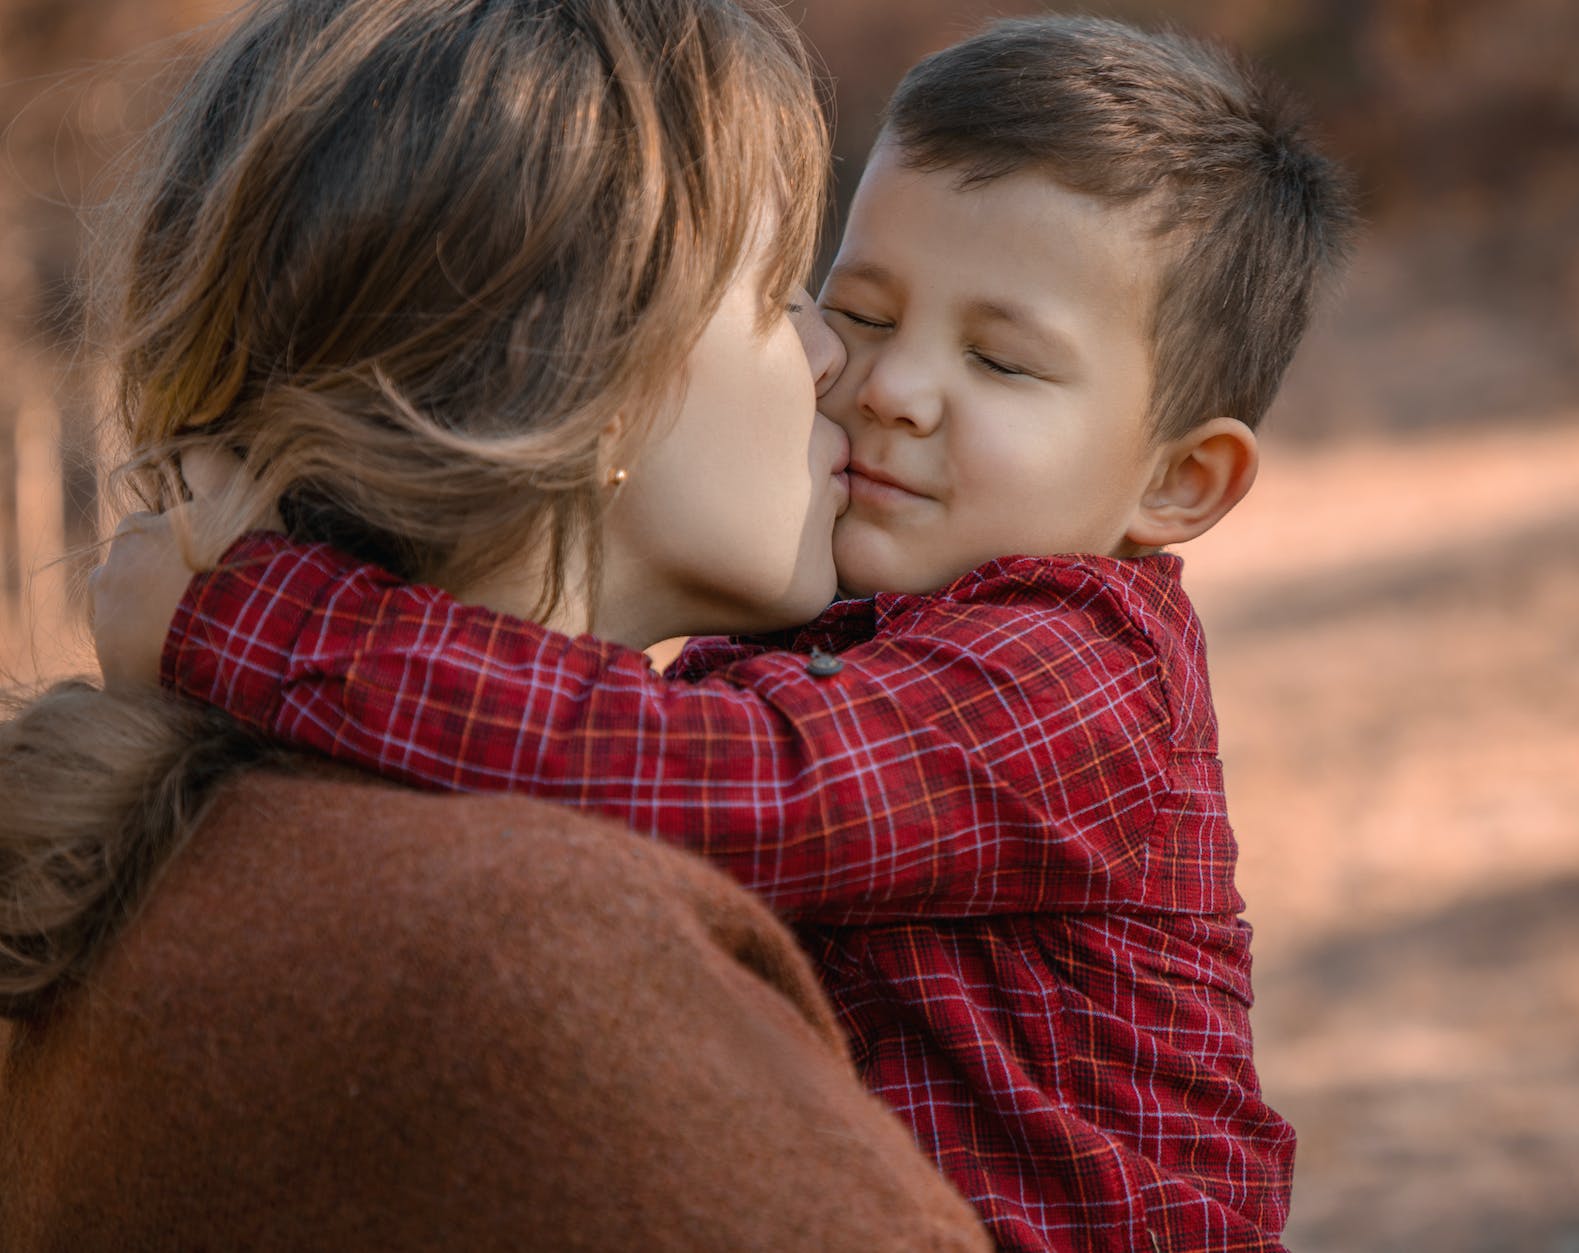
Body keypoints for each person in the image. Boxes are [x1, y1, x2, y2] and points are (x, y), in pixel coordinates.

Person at [96, 16, 1356, 1251]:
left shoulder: (1073, 667)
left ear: (1178, 484)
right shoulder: (835, 639)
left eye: (1001, 362)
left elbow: (713, 782)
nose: (880, 386)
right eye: (853, 306)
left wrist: (254, 612)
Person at [0, 0, 989, 1247]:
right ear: (597, 375)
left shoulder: (196, 861)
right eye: (777, 288)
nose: (834, 358)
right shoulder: (534, 959)